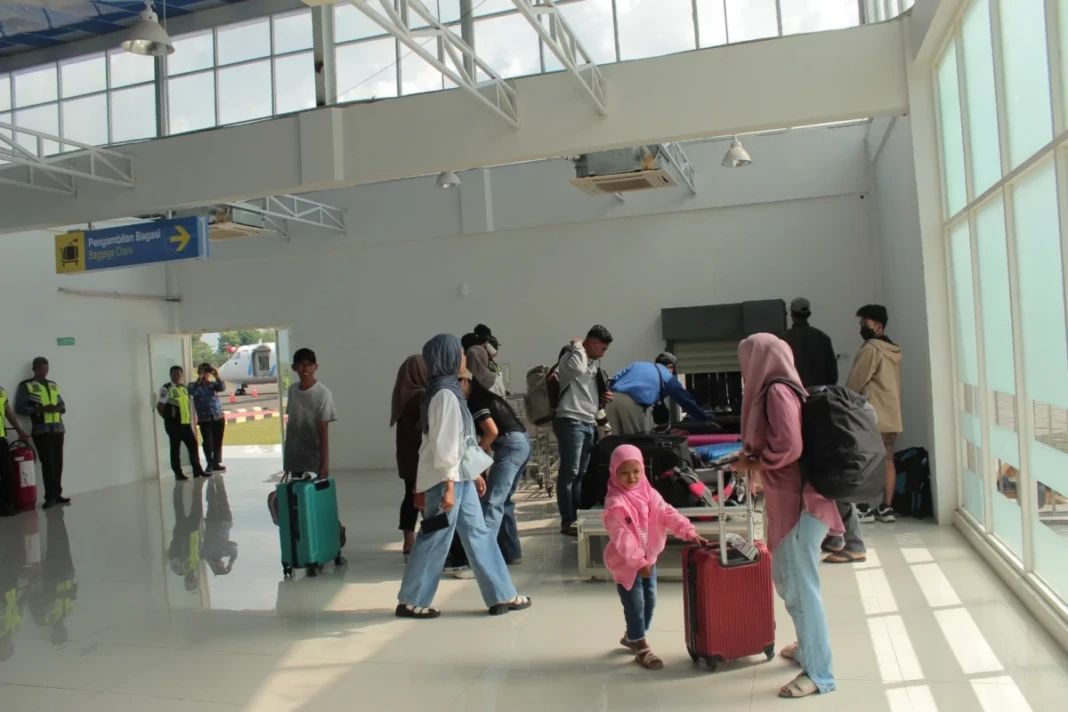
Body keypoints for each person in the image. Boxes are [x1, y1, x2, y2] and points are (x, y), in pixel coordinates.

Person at [732, 333, 843, 698]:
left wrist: (755, 462)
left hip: (801, 506)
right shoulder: (781, 389)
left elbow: (790, 446)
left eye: (746, 360)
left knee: (802, 585)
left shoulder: (777, 392)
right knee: (789, 580)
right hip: (790, 502)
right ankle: (806, 647)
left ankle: (819, 673)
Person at [395, 334, 531, 619]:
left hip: (459, 477)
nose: (464, 357)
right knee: (435, 537)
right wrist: (448, 486)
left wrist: (473, 473)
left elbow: (463, 441)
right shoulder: (444, 395)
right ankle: (411, 600)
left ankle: (501, 595)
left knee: (479, 533)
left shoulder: (448, 392)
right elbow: (444, 445)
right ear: (445, 358)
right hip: (448, 480)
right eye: (459, 353)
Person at [604, 443, 707, 670]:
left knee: (649, 604)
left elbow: (669, 514)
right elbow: (622, 538)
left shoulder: (650, 494)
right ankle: (640, 645)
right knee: (635, 604)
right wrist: (638, 562)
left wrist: (689, 532)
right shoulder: (615, 504)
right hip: (627, 566)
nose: (631, 477)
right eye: (624, 472)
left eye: (636, 471)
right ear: (613, 473)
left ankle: (632, 635)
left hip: (649, 562)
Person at [463, 353, 531, 565]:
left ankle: (482, 562)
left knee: (491, 502)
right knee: (504, 501)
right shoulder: (484, 397)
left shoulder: (476, 401)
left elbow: (490, 432)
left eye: (456, 384)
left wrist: (473, 455)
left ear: (466, 381)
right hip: (521, 442)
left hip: (510, 445)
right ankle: (511, 553)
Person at [846, 304, 903, 524]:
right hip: (892, 414)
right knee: (888, 458)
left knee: (866, 459)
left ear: (878, 325)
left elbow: (856, 382)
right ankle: (886, 508)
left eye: (865, 322)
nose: (861, 326)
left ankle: (863, 507)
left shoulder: (872, 348)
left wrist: (845, 402)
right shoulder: (894, 350)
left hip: (873, 414)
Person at [555, 325, 613, 535]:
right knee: (569, 472)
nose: (603, 354)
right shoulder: (571, 358)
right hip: (570, 420)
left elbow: (589, 391)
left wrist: (602, 398)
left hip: (587, 422)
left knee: (580, 473)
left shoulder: (592, 365)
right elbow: (577, 370)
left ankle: (578, 516)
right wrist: (578, 345)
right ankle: (567, 520)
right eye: (602, 349)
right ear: (593, 343)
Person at [607, 353, 710, 435]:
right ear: (670, 367)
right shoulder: (668, 377)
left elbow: (613, 379)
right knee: (634, 442)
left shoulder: (637, 365)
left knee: (616, 441)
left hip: (612, 399)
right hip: (631, 403)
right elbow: (687, 402)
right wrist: (706, 419)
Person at [16, 358, 68, 508]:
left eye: (46, 369)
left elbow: (63, 406)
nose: (44, 372)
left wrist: (57, 408)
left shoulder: (53, 385)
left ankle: (58, 494)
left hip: (58, 429)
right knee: (48, 463)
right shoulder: (26, 386)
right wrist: (41, 409)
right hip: (41, 431)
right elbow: (20, 408)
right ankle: (49, 497)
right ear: (34, 369)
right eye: (41, 369)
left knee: (58, 462)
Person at [391, 354, 427, 561]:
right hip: (421, 456)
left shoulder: (402, 394)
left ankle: (408, 540)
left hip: (406, 456)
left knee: (410, 496)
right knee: (424, 498)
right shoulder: (421, 395)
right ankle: (427, 538)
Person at [283, 348, 338, 479]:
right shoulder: (293, 390)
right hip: (294, 455)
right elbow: (292, 423)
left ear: (316, 366)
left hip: (314, 458)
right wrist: (288, 459)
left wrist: (324, 464)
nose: (305, 369)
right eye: (301, 364)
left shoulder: (323, 394)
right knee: (295, 495)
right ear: (294, 367)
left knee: (310, 496)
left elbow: (323, 430)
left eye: (309, 364)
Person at [157, 366, 208, 481]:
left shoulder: (184, 388)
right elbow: (160, 406)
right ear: (170, 375)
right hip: (174, 425)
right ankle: (178, 473)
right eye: (174, 374)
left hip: (185, 423)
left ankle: (197, 470)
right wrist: (168, 420)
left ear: (182, 375)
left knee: (193, 445)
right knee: (175, 449)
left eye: (178, 374)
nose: (176, 376)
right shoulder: (167, 388)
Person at [782, 297, 838, 388]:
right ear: (809, 314)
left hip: (794, 394)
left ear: (792, 314)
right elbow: (832, 375)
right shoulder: (823, 338)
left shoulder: (783, 339)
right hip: (819, 394)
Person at [167, 478, 205, 594]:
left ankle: (178, 487)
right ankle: (198, 485)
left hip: (181, 534)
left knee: (179, 507)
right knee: (197, 506)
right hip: (193, 533)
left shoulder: (178, 570)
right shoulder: (195, 566)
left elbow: (171, 555)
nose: (191, 579)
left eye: (189, 582)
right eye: (193, 581)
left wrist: (182, 556)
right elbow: (197, 551)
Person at [188, 363, 227, 473]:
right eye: (203, 371)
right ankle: (209, 463)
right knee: (208, 442)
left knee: (217, 442)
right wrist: (199, 379)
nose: (206, 374)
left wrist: (217, 375)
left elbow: (222, 387)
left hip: (217, 416)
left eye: (207, 372)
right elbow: (193, 392)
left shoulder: (213, 384)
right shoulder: (193, 385)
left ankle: (216, 463)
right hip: (205, 418)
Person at [0, 384, 30, 516]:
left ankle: (6, 504)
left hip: (1, 439)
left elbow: (8, 412)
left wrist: (19, 430)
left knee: (8, 474)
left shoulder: (1, 391)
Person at [202, 476, 238, 576]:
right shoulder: (223, 553)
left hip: (213, 522)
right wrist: (231, 563)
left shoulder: (208, 555)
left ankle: (211, 481)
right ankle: (218, 480)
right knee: (223, 499)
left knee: (212, 502)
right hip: (225, 522)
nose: (223, 564)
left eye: (222, 566)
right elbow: (234, 548)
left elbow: (233, 548)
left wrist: (214, 565)